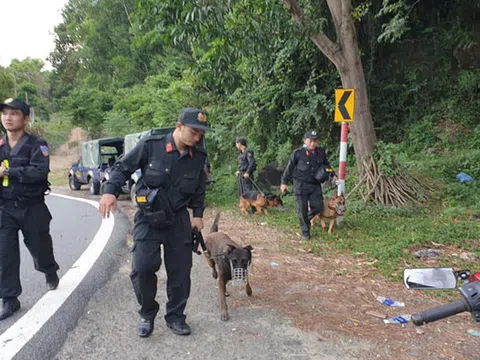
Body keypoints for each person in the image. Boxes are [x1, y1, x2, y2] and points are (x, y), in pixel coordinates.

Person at [99, 107, 209, 338]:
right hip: (148, 218)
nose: (197, 137)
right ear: (179, 126)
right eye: (194, 131)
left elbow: (199, 189)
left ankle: (176, 317)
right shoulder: (152, 146)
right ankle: (147, 313)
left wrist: (197, 214)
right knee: (142, 268)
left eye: (201, 134)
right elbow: (122, 167)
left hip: (178, 220)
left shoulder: (198, 158)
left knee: (180, 273)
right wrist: (110, 191)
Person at [0, 98, 60, 320]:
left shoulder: (37, 145)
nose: (8, 117)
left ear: (25, 119)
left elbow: (39, 172)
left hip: (32, 207)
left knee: (40, 246)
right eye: (5, 113)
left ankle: (49, 269)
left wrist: (8, 172)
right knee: (5, 254)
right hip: (5, 207)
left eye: (14, 113)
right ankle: (9, 298)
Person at [280, 130, 337, 241]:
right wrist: (284, 182)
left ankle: (305, 219)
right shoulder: (297, 153)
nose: (312, 143)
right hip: (300, 185)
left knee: (318, 207)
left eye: (315, 141)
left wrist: (332, 174)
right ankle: (305, 232)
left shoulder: (320, 152)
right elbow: (289, 168)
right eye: (310, 141)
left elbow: (326, 164)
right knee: (302, 209)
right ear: (305, 141)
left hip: (315, 185)